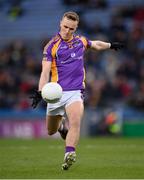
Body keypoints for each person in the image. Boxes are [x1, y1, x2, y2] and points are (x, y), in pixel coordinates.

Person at [30, 11, 123, 170]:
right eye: (65, 26)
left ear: (76, 28)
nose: (67, 31)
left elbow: (96, 44)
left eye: (71, 29)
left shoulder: (81, 41)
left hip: (75, 91)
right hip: (56, 93)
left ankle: (69, 153)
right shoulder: (51, 46)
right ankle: (60, 127)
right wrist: (40, 91)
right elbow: (45, 71)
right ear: (60, 23)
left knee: (75, 122)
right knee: (51, 130)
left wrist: (110, 45)